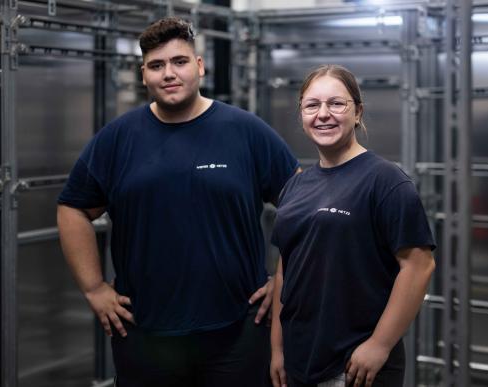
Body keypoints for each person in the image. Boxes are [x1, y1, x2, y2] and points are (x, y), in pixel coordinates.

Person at [57, 17, 298, 387]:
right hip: (144, 333)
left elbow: (303, 205)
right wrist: (94, 288)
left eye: (179, 62)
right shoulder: (118, 139)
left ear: (199, 66)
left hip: (237, 332)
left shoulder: (246, 131)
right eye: (157, 65)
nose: (169, 73)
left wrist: (283, 281)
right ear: (143, 75)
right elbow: (73, 208)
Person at [269, 65, 436, 387]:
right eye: (312, 105)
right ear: (301, 114)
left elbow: (419, 266)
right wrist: (277, 348)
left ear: (357, 112)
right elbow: (285, 270)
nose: (323, 114)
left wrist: (379, 345)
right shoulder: (296, 185)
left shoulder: (385, 180)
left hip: (355, 365)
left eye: (336, 103)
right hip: (299, 359)